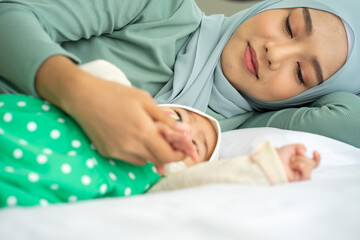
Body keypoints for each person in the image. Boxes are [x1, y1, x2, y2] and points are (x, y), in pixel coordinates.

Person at [0, 0, 359, 170]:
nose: (275, 53)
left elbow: (350, 123)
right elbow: (9, 15)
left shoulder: (242, 129)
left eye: (301, 75)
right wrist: (80, 91)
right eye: (290, 26)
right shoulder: (161, 8)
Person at [0, 60, 320, 208]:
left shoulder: (163, 181)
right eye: (178, 116)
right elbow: (98, 74)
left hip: (33, 181)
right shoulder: (118, 102)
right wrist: (127, 101)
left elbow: (216, 179)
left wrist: (274, 165)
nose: (181, 129)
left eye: (196, 144)